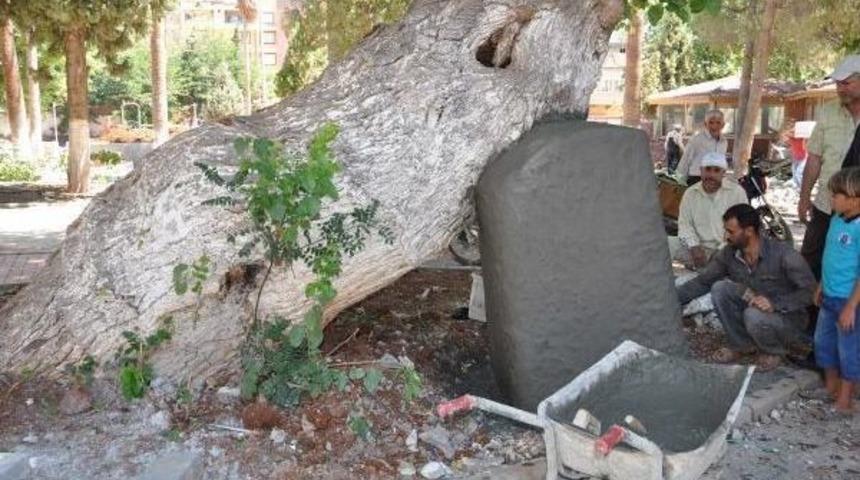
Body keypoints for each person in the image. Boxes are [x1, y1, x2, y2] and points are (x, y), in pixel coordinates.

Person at [677, 204, 816, 371]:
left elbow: (811, 292)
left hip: (789, 320)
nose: (726, 237)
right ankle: (742, 345)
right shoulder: (730, 253)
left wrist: (775, 303)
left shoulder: (785, 255)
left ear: (749, 231)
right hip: (756, 310)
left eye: (731, 232)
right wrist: (670, 299)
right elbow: (703, 282)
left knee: (753, 315)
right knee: (720, 288)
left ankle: (774, 351)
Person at [799, 55, 860, 281]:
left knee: (849, 266)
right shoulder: (827, 111)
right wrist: (804, 197)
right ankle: (808, 314)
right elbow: (814, 158)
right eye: (837, 84)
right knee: (810, 262)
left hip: (857, 210)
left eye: (846, 83)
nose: (840, 89)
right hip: (825, 205)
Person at [814, 167, 860, 413]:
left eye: (836, 195)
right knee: (823, 343)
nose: (832, 199)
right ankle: (831, 388)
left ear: (854, 198)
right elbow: (829, 257)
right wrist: (821, 285)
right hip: (829, 296)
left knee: (848, 350)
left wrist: (851, 307)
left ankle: (846, 400)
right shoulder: (836, 219)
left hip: (848, 301)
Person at [671, 151, 748, 270]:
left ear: (723, 173)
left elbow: (742, 227)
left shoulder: (736, 193)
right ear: (701, 171)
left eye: (716, 170)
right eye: (707, 169)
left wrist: (721, 250)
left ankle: (716, 272)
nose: (711, 175)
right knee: (663, 243)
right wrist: (694, 246)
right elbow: (684, 224)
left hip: (728, 249)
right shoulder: (690, 193)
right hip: (699, 250)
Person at [676, 110, 728, 186]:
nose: (714, 126)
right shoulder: (697, 139)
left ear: (723, 125)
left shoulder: (724, 142)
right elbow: (685, 159)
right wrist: (681, 181)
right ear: (705, 124)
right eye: (711, 122)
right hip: (697, 179)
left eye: (718, 123)